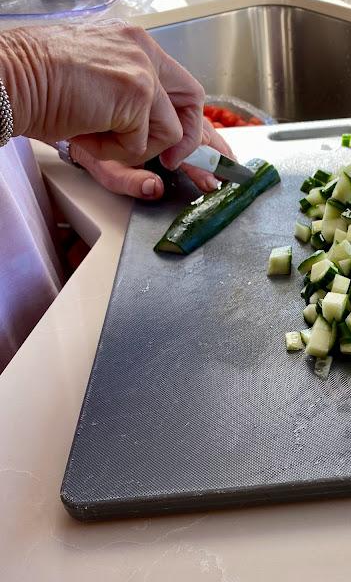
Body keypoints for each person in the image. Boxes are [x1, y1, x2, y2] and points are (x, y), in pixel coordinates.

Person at [0, 21, 234, 371]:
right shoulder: (23, 72)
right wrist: (23, 73)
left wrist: (69, 130)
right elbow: (17, 75)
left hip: (39, 326)